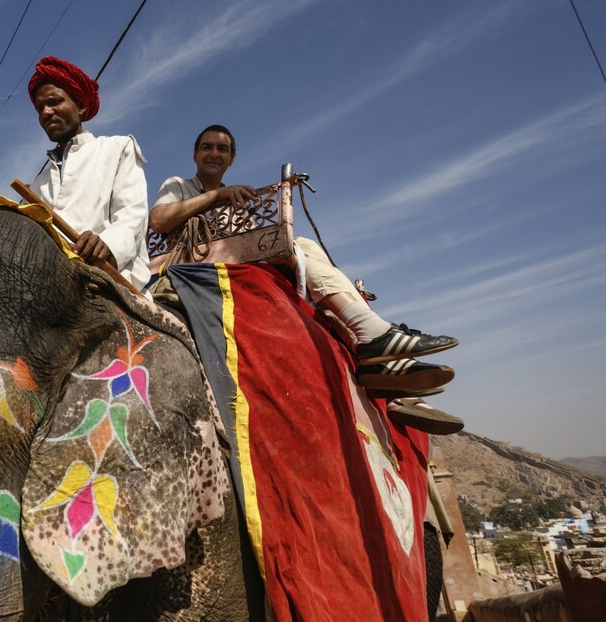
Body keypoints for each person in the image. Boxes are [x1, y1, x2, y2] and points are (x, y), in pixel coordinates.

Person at [149, 124, 463, 433]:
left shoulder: (237, 204)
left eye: (223, 148)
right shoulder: (179, 185)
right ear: (195, 155)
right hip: (191, 264)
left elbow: (250, 242)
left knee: (313, 276)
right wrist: (217, 196)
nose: (214, 153)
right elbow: (159, 220)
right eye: (207, 147)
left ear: (232, 159)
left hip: (234, 262)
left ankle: (386, 370)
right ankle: (377, 338)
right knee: (304, 249)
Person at [26, 56, 151, 293]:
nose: (46, 112)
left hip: (111, 285)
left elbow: (133, 216)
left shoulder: (117, 148)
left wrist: (106, 244)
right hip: (53, 290)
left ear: (81, 107)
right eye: (40, 107)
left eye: (54, 102)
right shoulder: (36, 186)